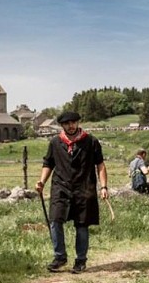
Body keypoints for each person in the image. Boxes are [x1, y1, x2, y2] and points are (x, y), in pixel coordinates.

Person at [36, 111, 108, 274]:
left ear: (77, 123)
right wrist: (42, 181)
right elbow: (48, 163)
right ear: (62, 125)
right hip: (60, 187)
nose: (71, 126)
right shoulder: (55, 142)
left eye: (74, 122)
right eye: (67, 123)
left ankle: (80, 260)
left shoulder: (90, 141)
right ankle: (60, 257)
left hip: (84, 189)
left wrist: (103, 187)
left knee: (82, 225)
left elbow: (100, 165)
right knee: (55, 220)